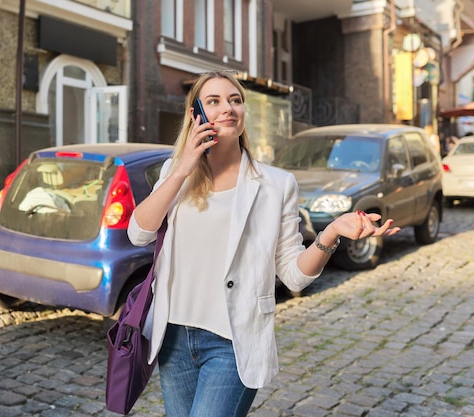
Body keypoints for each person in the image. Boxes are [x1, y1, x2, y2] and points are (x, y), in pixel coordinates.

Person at [127, 71, 401, 417]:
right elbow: (138, 233)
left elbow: (294, 275)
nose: (228, 107)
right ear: (196, 115)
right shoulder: (174, 172)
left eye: (235, 100)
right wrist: (183, 168)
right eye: (213, 101)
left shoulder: (275, 184)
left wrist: (330, 233)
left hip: (232, 343)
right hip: (173, 337)